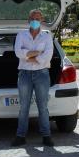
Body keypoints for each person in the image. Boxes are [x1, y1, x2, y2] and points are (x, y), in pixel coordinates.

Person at [11, 9, 54, 147]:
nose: (36, 20)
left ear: (42, 20)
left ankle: (46, 136)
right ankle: (20, 135)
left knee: (43, 106)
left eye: (38, 18)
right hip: (24, 74)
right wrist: (37, 54)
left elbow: (49, 53)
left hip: (42, 74)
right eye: (33, 18)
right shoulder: (21, 35)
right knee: (24, 107)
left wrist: (29, 56)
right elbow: (18, 52)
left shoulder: (47, 36)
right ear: (29, 20)